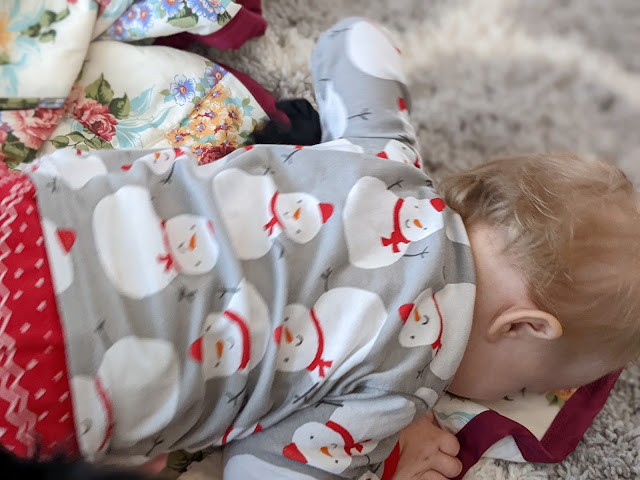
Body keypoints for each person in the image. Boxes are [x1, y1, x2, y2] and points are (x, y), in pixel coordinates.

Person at [0, 16, 638, 480]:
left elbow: (351, 43)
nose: (502, 398)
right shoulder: (398, 385)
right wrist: (394, 456)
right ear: (523, 326)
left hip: (40, 209)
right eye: (523, 383)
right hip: (56, 371)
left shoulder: (393, 162)